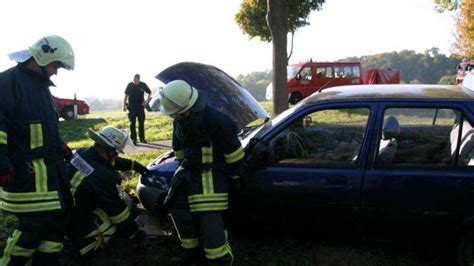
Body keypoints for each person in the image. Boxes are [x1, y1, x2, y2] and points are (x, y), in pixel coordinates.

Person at [151, 80, 245, 265]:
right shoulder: (180, 120)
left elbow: (234, 155)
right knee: (178, 210)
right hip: (188, 173)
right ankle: (191, 252)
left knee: (210, 223)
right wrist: (181, 167)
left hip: (212, 176)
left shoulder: (216, 120)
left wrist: (235, 177)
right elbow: (178, 148)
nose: (171, 117)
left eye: (174, 113)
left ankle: (219, 260)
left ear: (185, 108)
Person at [0, 35, 75, 265]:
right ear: (43, 59)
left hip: (50, 179)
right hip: (27, 178)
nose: (56, 72)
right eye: (56, 65)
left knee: (55, 226)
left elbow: (44, 124)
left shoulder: (40, 87)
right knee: (32, 229)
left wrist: (59, 144)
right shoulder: (8, 82)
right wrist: (1, 162)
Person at [65, 126, 148, 259]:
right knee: (113, 229)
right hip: (74, 222)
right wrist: (134, 233)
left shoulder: (82, 153)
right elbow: (117, 212)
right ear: (108, 150)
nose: (116, 155)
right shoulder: (101, 176)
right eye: (115, 152)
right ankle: (80, 249)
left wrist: (134, 165)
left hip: (62, 209)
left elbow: (110, 163)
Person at [123, 74, 152, 145]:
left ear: (139, 79)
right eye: (134, 80)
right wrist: (124, 105)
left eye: (136, 80)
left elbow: (149, 92)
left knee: (141, 122)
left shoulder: (143, 85)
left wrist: (146, 101)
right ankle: (133, 139)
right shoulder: (130, 85)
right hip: (131, 106)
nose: (135, 81)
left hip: (140, 106)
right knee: (132, 123)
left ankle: (142, 138)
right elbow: (126, 96)